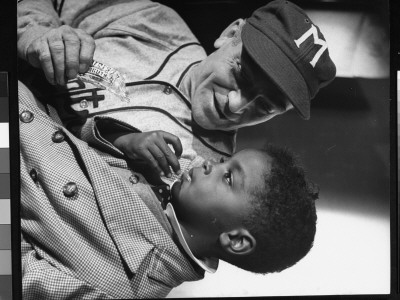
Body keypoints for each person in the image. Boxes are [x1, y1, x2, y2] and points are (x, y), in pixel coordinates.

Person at [19, 79, 317, 298]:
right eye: (225, 161)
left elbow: (12, 277)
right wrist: (122, 140)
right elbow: (67, 137)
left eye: (228, 178)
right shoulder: (165, 178)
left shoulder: (122, 290)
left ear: (236, 241)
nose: (208, 164)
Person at [18, 0, 336, 175]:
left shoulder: (205, 174)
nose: (236, 106)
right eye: (241, 75)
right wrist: (40, 34)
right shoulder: (154, 21)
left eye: (265, 106)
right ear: (230, 33)